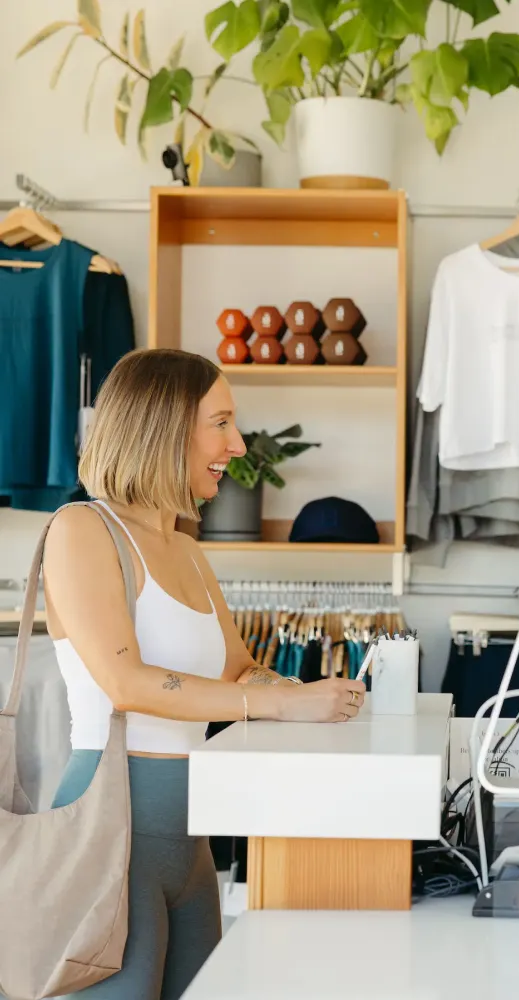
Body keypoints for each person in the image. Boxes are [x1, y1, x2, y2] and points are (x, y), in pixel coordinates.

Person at [41, 349, 367, 1000]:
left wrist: (312, 693)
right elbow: (126, 684)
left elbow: (241, 670)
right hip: (113, 833)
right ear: (164, 428)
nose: (237, 444)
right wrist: (280, 708)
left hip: (190, 846)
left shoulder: (189, 550)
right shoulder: (82, 530)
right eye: (220, 423)